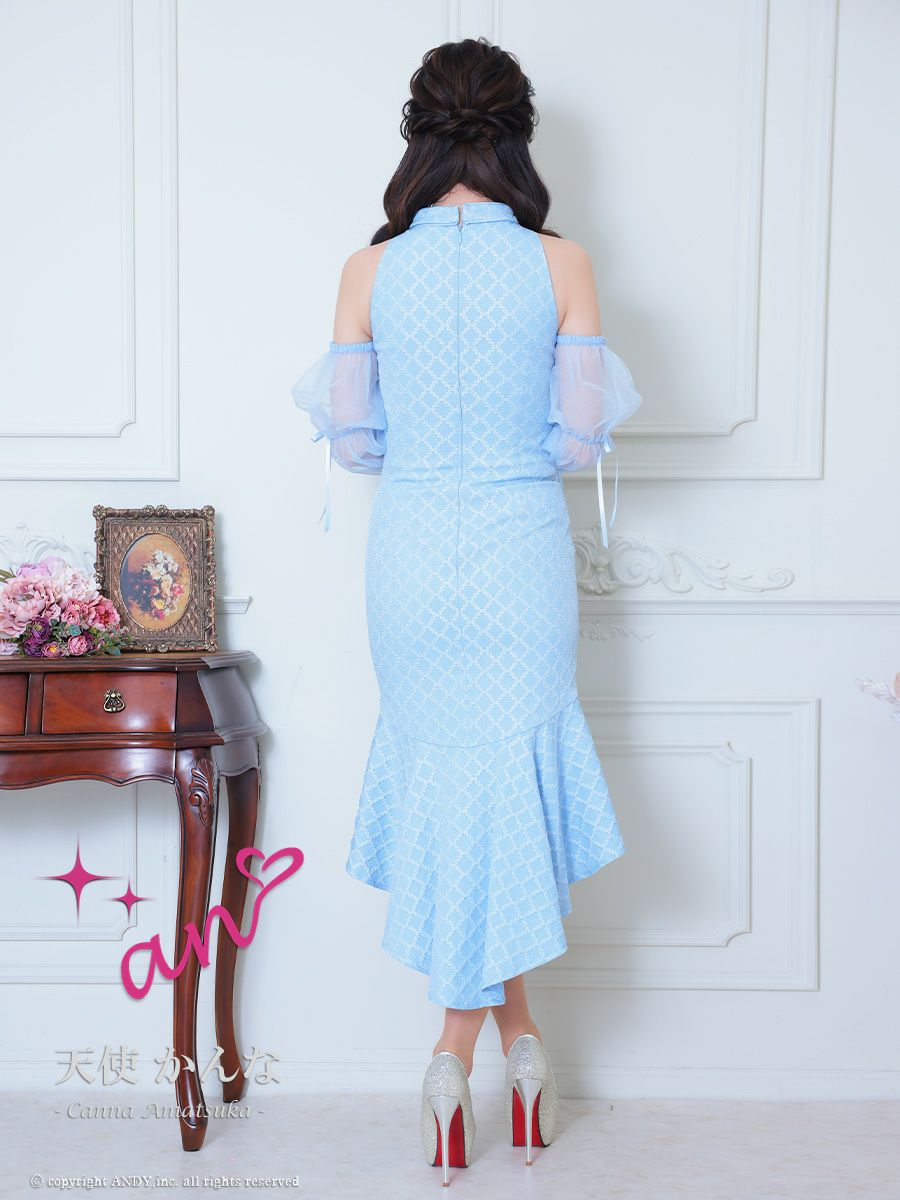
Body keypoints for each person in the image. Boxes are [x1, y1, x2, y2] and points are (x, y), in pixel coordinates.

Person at [292, 35, 642, 1185]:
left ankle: (466, 1050)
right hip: (520, 557)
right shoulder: (562, 263)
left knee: (458, 792)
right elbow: (578, 440)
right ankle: (504, 1049)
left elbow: (356, 446)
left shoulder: (366, 270)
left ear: (420, 132)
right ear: (515, 134)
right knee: (501, 792)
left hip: (409, 562)